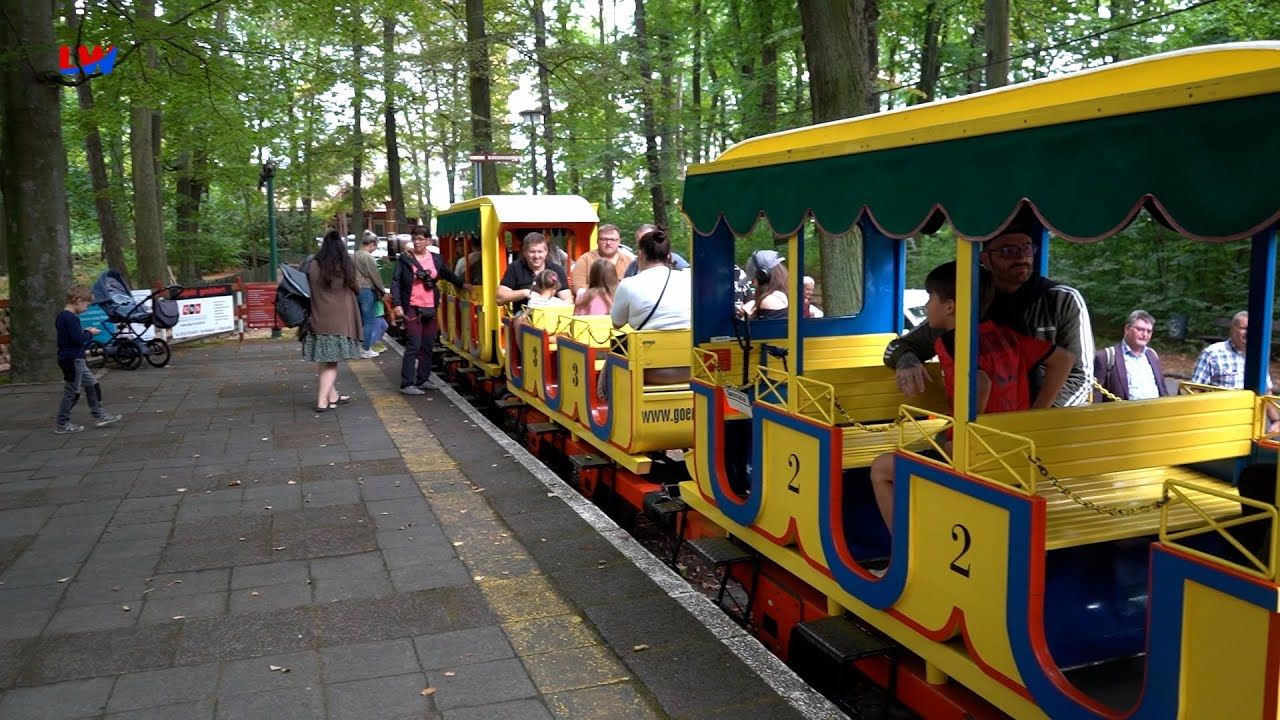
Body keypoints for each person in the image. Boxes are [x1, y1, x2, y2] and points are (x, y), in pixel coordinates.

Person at [869, 262, 1075, 535]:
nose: (928, 305)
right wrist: (1036, 414)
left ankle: (904, 556)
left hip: (975, 455)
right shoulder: (1006, 336)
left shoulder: (952, 342)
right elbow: (1064, 359)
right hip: (1014, 451)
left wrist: (962, 439)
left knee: (882, 469)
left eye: (931, 298)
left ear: (950, 306)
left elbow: (980, 382)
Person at [883, 231, 1093, 407]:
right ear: (985, 259)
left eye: (1027, 248)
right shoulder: (971, 306)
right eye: (1008, 251)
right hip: (988, 429)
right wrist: (907, 360)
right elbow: (901, 346)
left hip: (1047, 423)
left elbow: (1080, 377)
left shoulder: (1061, 299)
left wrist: (1035, 418)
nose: (1021, 257)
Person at [610, 227, 692, 390]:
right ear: (668, 256)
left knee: (615, 351)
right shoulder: (687, 278)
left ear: (640, 254)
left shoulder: (628, 284)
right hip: (691, 368)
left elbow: (617, 323)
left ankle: (609, 402)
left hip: (649, 370)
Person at [392, 228, 468, 395]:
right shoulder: (405, 259)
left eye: (420, 239)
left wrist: (462, 284)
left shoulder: (435, 258)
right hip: (411, 306)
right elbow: (396, 281)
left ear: (428, 241)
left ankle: (423, 379)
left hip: (430, 306)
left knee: (428, 344)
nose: (417, 242)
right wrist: (397, 304)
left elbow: (446, 274)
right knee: (414, 344)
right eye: (415, 239)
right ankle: (407, 384)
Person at [304, 231, 364, 411]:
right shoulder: (343, 266)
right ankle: (322, 400)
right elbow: (356, 287)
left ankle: (333, 395)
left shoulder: (313, 264)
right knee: (331, 362)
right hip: (338, 321)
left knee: (325, 359)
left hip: (317, 317)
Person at [1192, 311, 1278, 430]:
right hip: (1219, 423)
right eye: (1244, 328)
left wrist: (1275, 420)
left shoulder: (1258, 355)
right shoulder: (1212, 353)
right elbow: (1194, 391)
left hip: (1250, 424)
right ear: (1232, 329)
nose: (1249, 332)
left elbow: (1265, 391)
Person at [54, 285, 122, 433]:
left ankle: (99, 414)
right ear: (78, 300)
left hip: (75, 359)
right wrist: (90, 334)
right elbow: (77, 339)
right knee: (72, 392)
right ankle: (62, 423)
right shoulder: (70, 318)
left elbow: (71, 336)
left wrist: (85, 331)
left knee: (92, 384)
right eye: (87, 304)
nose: (87, 308)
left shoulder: (64, 317)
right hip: (72, 359)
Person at [1093, 310, 1168, 402]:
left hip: (1155, 413)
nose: (1145, 334)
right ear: (1127, 329)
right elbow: (1096, 396)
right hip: (1123, 415)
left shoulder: (1152, 355)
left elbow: (1163, 390)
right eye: (1140, 329)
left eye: (1149, 331)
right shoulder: (1106, 357)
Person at [497, 232, 572, 311]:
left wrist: (553, 306)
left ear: (546, 252)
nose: (536, 256)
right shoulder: (515, 268)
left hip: (552, 316)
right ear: (524, 252)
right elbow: (499, 298)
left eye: (540, 252)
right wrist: (526, 293)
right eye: (532, 252)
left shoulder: (556, 269)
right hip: (523, 317)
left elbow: (568, 300)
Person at [570, 224, 631, 296]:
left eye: (612, 239)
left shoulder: (628, 261)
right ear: (597, 241)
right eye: (604, 239)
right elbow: (578, 287)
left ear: (619, 241)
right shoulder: (585, 260)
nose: (608, 243)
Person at [353, 231, 388, 358]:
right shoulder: (368, 257)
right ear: (372, 244)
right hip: (367, 290)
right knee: (369, 320)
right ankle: (365, 348)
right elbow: (375, 276)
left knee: (360, 319)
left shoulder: (354, 255)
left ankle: (357, 346)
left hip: (356, 290)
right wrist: (382, 291)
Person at [738, 250, 788, 320]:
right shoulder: (781, 295)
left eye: (753, 280)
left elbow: (765, 330)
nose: (753, 284)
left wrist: (748, 317)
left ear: (763, 276)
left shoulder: (771, 301)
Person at [624, 224, 689, 277]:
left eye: (648, 240)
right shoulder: (633, 266)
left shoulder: (675, 259)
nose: (645, 244)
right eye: (641, 242)